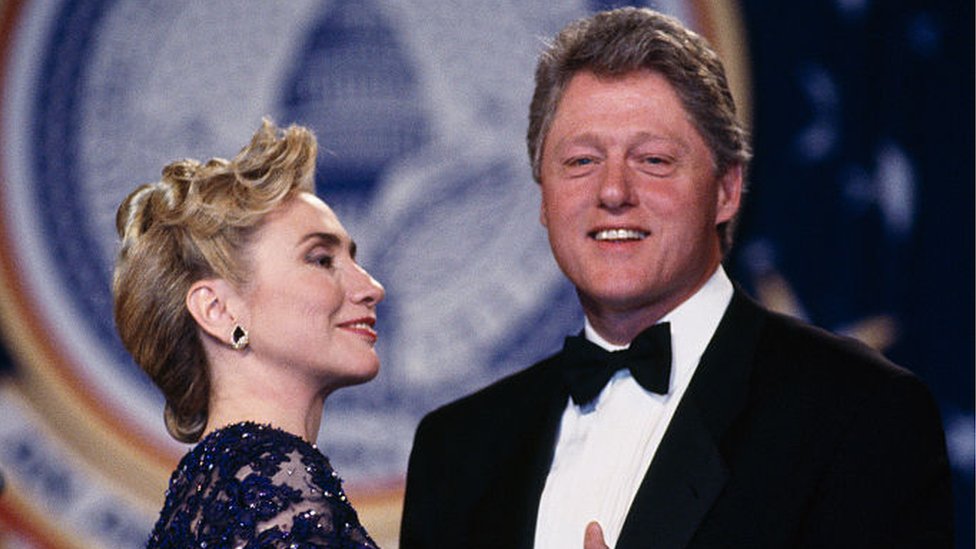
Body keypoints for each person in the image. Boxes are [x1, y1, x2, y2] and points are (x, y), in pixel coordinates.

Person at [400, 7, 953, 549]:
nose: (613, 192)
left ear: (726, 190)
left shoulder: (860, 414)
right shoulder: (454, 448)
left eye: (654, 160)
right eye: (582, 161)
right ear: (544, 197)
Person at [113, 119, 385, 547]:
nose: (372, 288)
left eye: (353, 258)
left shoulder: (209, 488)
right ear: (217, 310)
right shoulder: (272, 483)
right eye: (320, 259)